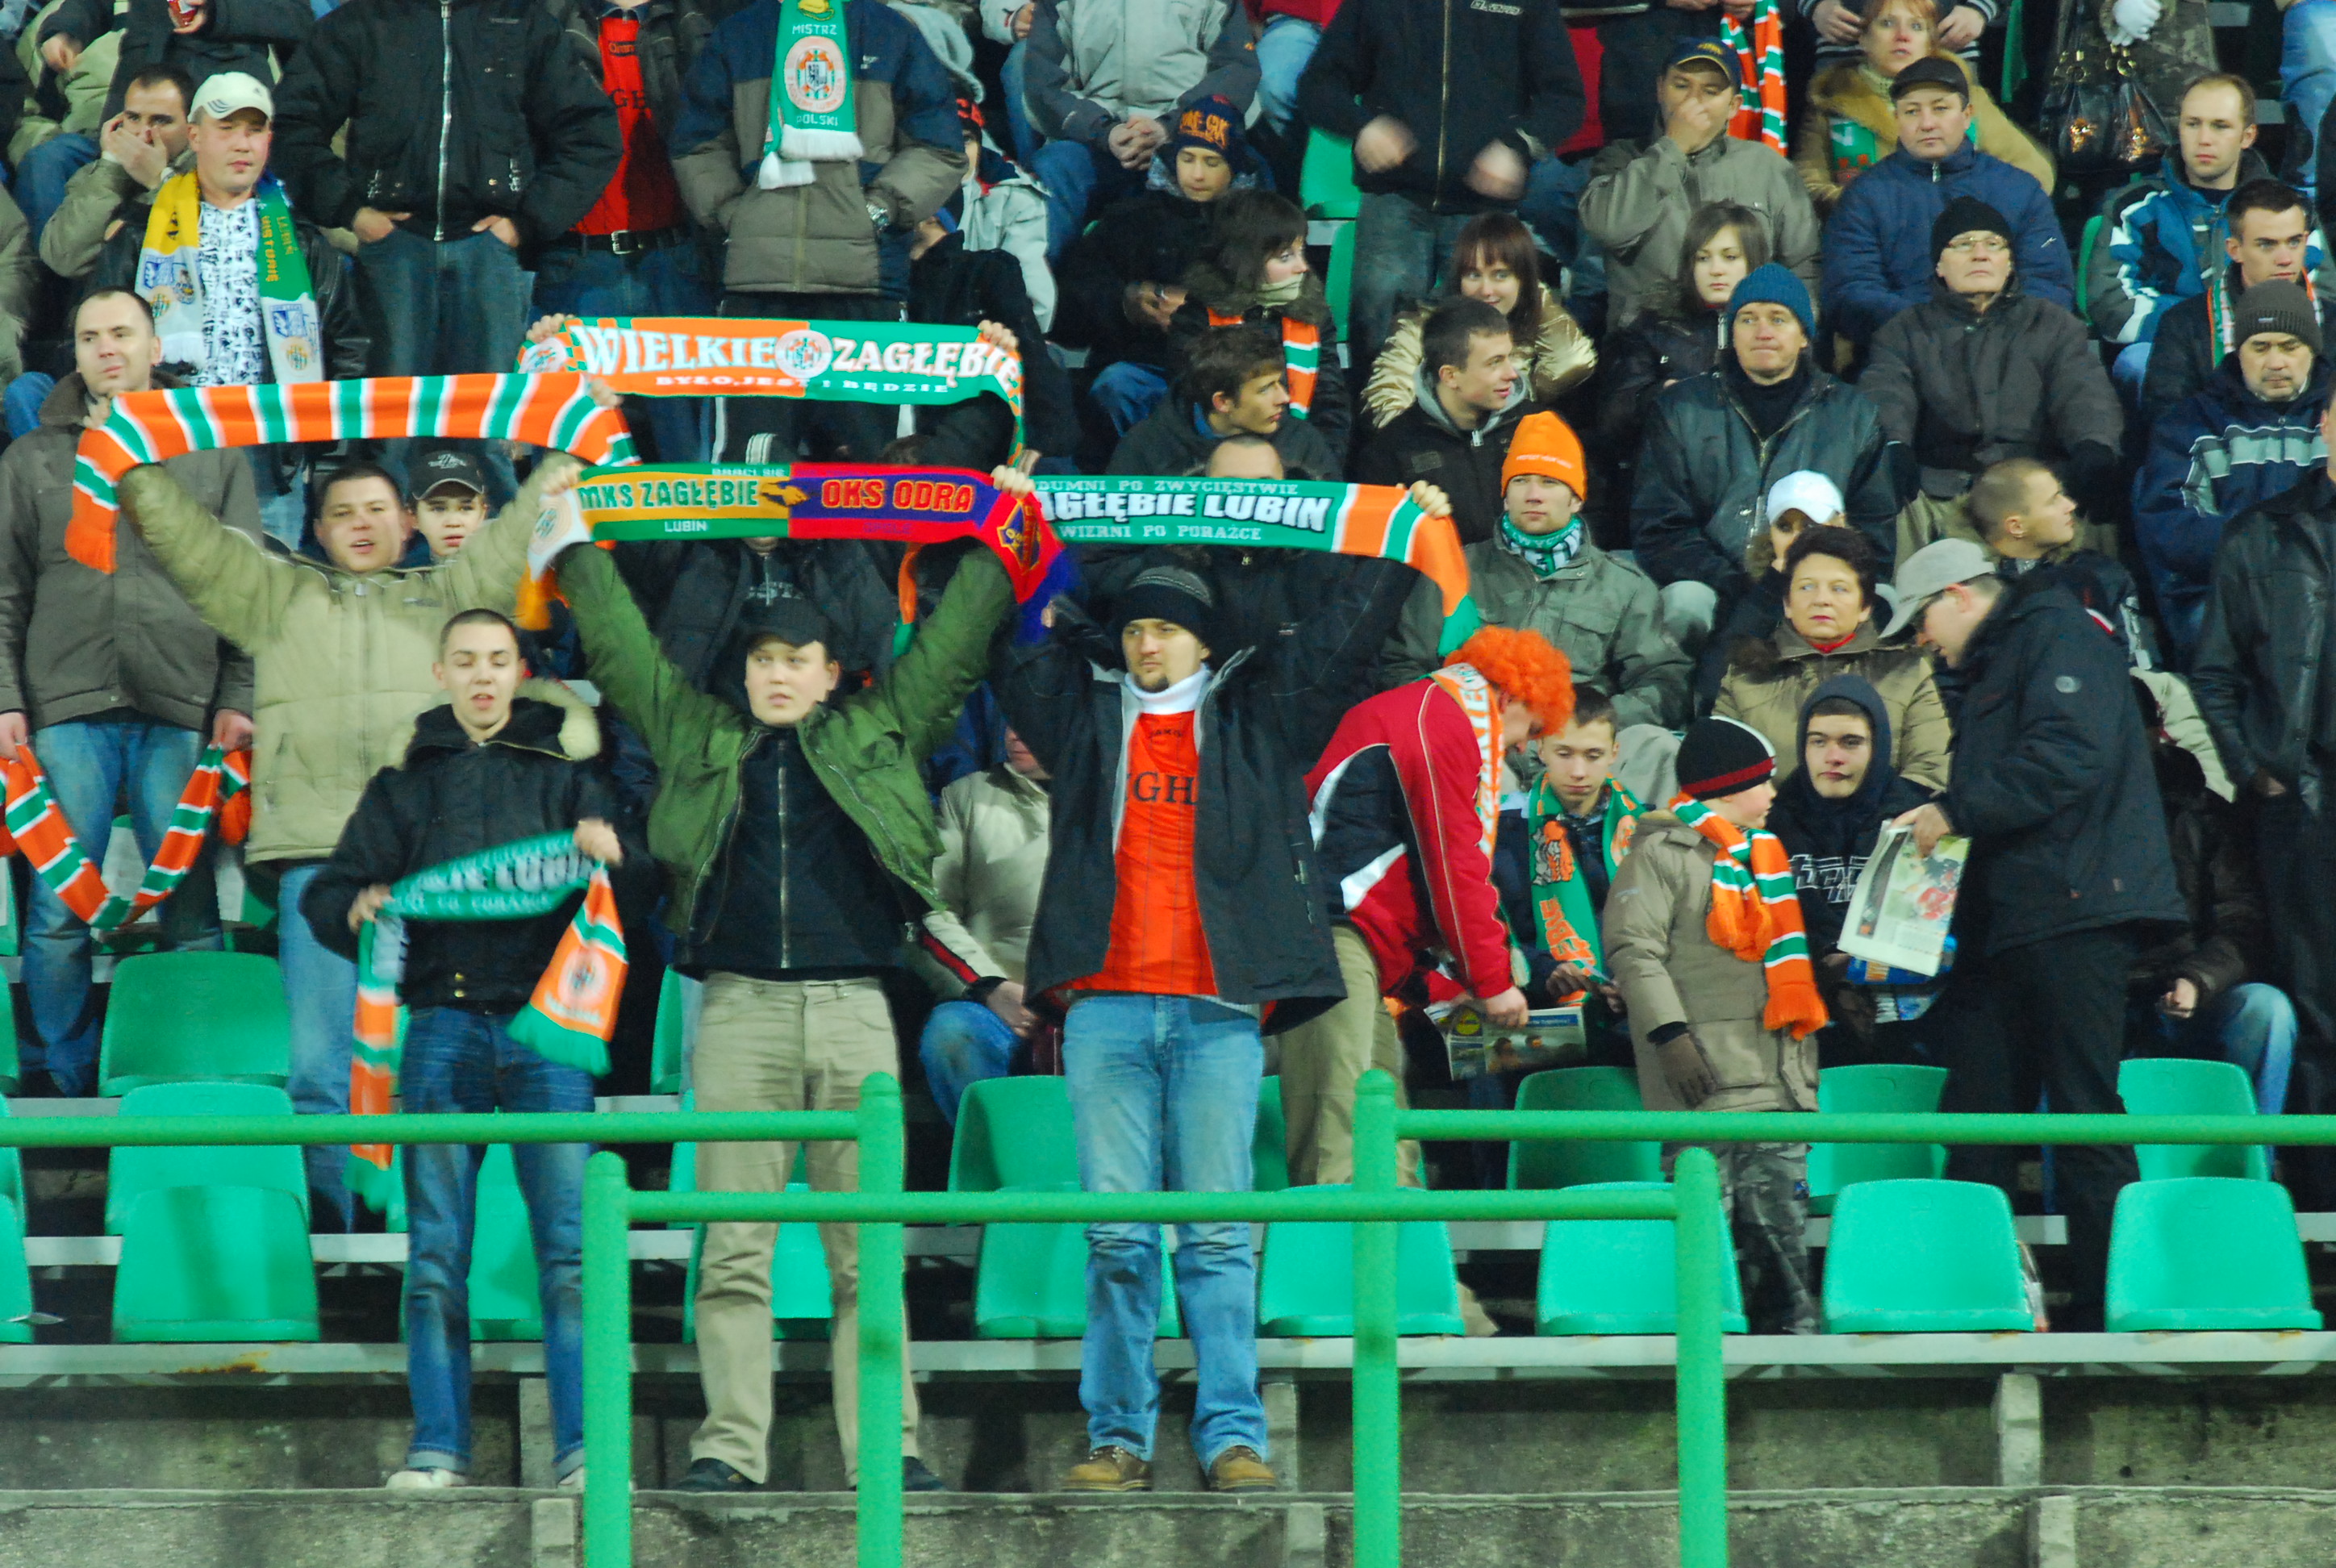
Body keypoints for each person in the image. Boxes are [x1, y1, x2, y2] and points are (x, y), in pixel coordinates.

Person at [549, 471, 1033, 1497]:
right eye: (764, 660)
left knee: (869, 1256)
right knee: (733, 1251)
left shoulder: (882, 726)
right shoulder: (696, 734)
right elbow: (622, 652)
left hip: (857, 1009)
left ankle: (887, 1454)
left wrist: (1003, 528)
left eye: (796, 661)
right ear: (745, 671)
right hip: (736, 1011)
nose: (777, 674)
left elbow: (953, 642)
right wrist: (573, 539)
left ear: (829, 674)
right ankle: (729, 1450)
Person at [991, 554, 1414, 1495]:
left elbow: (1341, 643)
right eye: (1136, 629)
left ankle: (1232, 1438)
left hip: (1218, 1013)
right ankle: (1117, 1438)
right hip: (1105, 1012)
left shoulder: (1258, 720)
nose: (1149, 645)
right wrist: (1016, 544)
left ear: (1205, 645)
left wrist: (1392, 546)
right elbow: (1011, 651)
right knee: (1116, 1238)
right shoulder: (1085, 717)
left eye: (1168, 630)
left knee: (1217, 1237)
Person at [115, 447, 578, 1229]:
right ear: (318, 530)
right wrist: (133, 471)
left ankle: (426, 1233)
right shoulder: (275, 596)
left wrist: (554, 466)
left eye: (375, 511)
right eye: (341, 514)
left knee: (433, 1067)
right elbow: (192, 546)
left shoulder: (451, 599)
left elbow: (509, 543)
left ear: (407, 523)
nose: (360, 525)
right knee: (319, 1069)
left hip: (429, 871)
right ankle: (331, 1239)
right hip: (319, 865)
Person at [300, 609, 641, 1492]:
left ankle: (587, 1453)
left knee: (570, 1253)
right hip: (440, 1030)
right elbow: (328, 894)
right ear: (442, 675)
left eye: (497, 661)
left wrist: (617, 856)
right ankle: (438, 1451)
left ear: (520, 672)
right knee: (435, 1255)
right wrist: (356, 908)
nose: (483, 677)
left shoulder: (573, 780)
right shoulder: (400, 789)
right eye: (466, 662)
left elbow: (643, 887)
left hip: (547, 1030)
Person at [1892, 537, 2183, 1327]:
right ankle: (1968, 1302)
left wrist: (1955, 811)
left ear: (1957, 594)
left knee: (2083, 1113)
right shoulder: (2013, 653)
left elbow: (2067, 756)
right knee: (1977, 1112)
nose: (1920, 639)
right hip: (2016, 920)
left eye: (1920, 619)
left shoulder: (2055, 635)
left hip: (2073, 911)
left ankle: (2108, 1311)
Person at [0, 288, 259, 1097]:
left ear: (155, 347)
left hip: (181, 705)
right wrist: (5, 698)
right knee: (56, 912)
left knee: (189, 907)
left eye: (121, 333)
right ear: (74, 354)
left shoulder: (212, 448)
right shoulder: (30, 458)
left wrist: (239, 693)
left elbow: (247, 590)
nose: (105, 348)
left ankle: (196, 1082)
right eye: (89, 337)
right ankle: (65, 1093)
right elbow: (4, 593)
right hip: (64, 709)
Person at [270, 0, 620, 491]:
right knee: (390, 431)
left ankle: (498, 543)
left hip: (491, 254)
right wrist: (351, 211)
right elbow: (291, 125)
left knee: (491, 430)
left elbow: (592, 133)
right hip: (392, 255)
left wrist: (526, 223)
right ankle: (391, 541)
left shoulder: (524, 24)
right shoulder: (360, 23)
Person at [1292, 625, 1576, 1186]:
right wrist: (1493, 982)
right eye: (1534, 728)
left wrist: (1442, 987)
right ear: (1510, 696)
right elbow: (1454, 866)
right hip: (1329, 934)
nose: (1524, 747)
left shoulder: (1427, 709)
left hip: (1352, 937)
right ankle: (1338, 1244)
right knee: (1343, 1124)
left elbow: (1400, 876)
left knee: (1383, 1124)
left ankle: (1398, 1241)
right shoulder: (1443, 721)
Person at [661, 0, 963, 466]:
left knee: (878, 473)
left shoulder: (890, 33)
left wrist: (879, 211)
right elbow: (696, 143)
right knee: (751, 476)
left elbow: (939, 147)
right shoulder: (740, 34)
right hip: (758, 288)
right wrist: (735, 215)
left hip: (865, 287)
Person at [1605, 715, 1826, 1334]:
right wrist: (1669, 1035)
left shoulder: (1764, 856)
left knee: (1783, 1250)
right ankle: (1705, 1366)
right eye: (1763, 781)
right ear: (1728, 788)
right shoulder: (1659, 855)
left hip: (1776, 1090)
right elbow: (1632, 950)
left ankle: (1790, 1362)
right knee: (1707, 1255)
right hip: (1703, 1088)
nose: (1774, 793)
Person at [89, 72, 369, 547]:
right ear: (195, 136)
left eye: (254, 130)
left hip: (269, 453)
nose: (243, 144)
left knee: (265, 587)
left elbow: (348, 349)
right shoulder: (139, 234)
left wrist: (324, 457)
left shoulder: (302, 242)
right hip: (167, 442)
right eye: (227, 128)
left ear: (269, 140)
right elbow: (99, 332)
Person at [1629, 262, 1901, 653]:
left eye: (1778, 319)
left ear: (1804, 335)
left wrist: (1807, 582)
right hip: (1715, 587)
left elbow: (1873, 532)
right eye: (1748, 319)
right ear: (1731, 333)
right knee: (1685, 601)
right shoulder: (1680, 409)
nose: (1763, 332)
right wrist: (1736, 583)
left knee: (1884, 599)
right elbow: (1660, 528)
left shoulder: (1853, 415)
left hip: (1816, 587)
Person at [1297, 0, 1584, 369]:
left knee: (1484, 350)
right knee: (1380, 349)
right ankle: (1377, 411)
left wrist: (1518, 146)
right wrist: (1362, 127)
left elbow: (1563, 98)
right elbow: (1319, 84)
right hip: (1394, 198)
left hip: (1484, 210)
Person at [1860, 196, 2124, 563]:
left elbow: (2084, 392)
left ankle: (2100, 594)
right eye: (1963, 244)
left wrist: (2094, 446)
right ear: (1939, 266)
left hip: (2035, 485)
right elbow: (1887, 393)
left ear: (2009, 262)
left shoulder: (2052, 324)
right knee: (1891, 493)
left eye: (1994, 244)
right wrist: (1894, 445)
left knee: (2098, 485)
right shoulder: (1903, 332)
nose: (1980, 255)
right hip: (1944, 489)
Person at [1389, 411, 1690, 727]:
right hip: (1472, 738)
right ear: (1506, 497)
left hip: (1574, 745)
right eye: (1521, 481)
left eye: (1549, 482)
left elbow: (1664, 682)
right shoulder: (1454, 569)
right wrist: (1460, 719)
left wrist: (1589, 725)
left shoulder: (1624, 586)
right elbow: (1401, 664)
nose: (1534, 496)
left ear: (1576, 500)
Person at [533, 0, 729, 467]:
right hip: (575, 263)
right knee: (569, 445)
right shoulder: (545, 26)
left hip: (675, 261)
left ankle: (690, 519)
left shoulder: (701, 27)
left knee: (688, 453)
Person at [2136, 277, 2331, 664]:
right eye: (2260, 347)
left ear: (2312, 350)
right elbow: (2171, 522)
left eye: (2290, 346)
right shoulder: (2190, 423)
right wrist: (2260, 557)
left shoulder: (2333, 419)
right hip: (2222, 594)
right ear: (2238, 351)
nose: (2276, 362)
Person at [1819, 54, 2072, 352]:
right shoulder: (1865, 196)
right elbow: (1850, 292)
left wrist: (1991, 333)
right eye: (1912, 111)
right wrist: (1932, 328)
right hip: (1904, 355)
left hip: (2011, 353)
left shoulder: (2019, 189)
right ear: (1896, 118)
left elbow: (2050, 283)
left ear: (1967, 115)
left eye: (1940, 109)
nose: (1927, 124)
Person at [2128, 675, 2295, 1117]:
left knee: (2267, 1010)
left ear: (2156, 733)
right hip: (2104, 1001)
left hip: (2192, 991)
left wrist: (2197, 980)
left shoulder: (2203, 815)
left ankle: (2252, 1152)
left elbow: (2243, 920)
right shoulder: (2066, 817)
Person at [1579, 38, 1821, 332]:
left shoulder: (1768, 166)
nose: (1694, 100)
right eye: (1681, 86)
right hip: (1650, 345)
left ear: (1734, 106)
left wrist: (1794, 334)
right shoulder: (1621, 159)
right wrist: (1672, 147)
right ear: (1660, 89)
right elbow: (1607, 227)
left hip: (1747, 341)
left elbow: (1803, 264)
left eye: (1711, 91)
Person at [1051, 97, 1248, 445]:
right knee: (1115, 385)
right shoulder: (1130, 218)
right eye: (1187, 159)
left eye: (1211, 162)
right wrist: (1124, 302)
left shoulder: (1261, 224)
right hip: (1140, 369)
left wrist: (1202, 313)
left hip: (1232, 375)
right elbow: (1068, 303)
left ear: (1234, 166)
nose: (1197, 174)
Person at [23, 0, 309, 238]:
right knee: (50, 160)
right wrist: (67, 30)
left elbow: (297, 18)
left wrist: (220, 11)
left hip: (221, 118)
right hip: (139, 96)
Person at [1763, 676, 1933, 1065]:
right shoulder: (1771, 823)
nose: (1833, 757)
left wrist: (1855, 968)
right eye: (1818, 741)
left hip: (1912, 1023)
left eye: (1851, 742)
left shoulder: (1917, 819)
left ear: (1879, 748)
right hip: (1801, 1022)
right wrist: (1828, 966)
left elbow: (1930, 936)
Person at [1715, 524, 1952, 790]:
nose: (1821, 600)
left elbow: (1930, 769)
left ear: (1865, 607)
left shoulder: (1908, 670)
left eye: (1839, 589)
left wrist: (1883, 812)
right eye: (1806, 587)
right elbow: (1721, 773)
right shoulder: (1745, 675)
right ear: (1787, 604)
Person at [1024, 0, 1260, 261]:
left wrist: (1170, 128)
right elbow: (1043, 85)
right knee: (1053, 167)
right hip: (1094, 137)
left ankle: (1240, 280)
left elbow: (1236, 70)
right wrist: (1105, 132)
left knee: (1253, 168)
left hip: (1189, 134)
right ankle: (1044, 281)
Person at [2088, 73, 2273, 398]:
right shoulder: (2135, 206)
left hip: (2267, 351)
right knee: (2137, 361)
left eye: (2220, 126)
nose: (2204, 139)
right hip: (2168, 353)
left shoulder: (2285, 209)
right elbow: (2111, 302)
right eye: (2193, 124)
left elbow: (2320, 295)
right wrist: (2204, 329)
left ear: (2247, 136)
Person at [1792, 1, 2051, 216]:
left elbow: (2035, 173)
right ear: (1863, 38)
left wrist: (1971, 212)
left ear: (1931, 42)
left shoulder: (1970, 102)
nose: (1902, 35)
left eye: (1916, 26)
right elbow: (1807, 186)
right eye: (1887, 23)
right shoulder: (1831, 103)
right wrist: (1874, 207)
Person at [914, 727, 1053, 1124]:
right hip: (999, 1004)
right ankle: (994, 1158)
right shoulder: (968, 796)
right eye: (1009, 719)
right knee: (952, 1034)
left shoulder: (1125, 793)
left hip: (1106, 1004)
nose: (1014, 733)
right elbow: (931, 909)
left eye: (1031, 720)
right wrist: (990, 987)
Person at [1596, 201, 1762, 532]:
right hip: (1668, 496)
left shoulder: (1776, 331)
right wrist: (1663, 395)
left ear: (1753, 262)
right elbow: (1613, 422)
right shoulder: (1651, 327)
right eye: (1703, 258)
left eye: (1730, 257)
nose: (1716, 270)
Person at [1168, 189, 1353, 469]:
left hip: (1298, 461)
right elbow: (1195, 412)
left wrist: (1314, 469)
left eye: (1302, 252)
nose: (1303, 267)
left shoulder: (1315, 316)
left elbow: (1330, 406)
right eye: (1285, 256)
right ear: (1245, 260)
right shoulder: (1196, 320)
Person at [1363, 212, 1596, 433]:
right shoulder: (1419, 326)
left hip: (1509, 445)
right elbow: (1387, 400)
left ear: (1523, 280)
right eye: (1474, 275)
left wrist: (1518, 398)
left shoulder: (1532, 326)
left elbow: (1574, 361)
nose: (1486, 290)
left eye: (1501, 275)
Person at [2140, 179, 2335, 428]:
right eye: (2267, 244)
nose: (2285, 259)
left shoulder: (2333, 321)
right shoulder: (2184, 325)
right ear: (2234, 250)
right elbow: (2169, 423)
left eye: (2294, 242)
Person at [1350, 297, 1536, 545]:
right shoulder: (1390, 452)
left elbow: (1583, 519)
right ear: (1450, 376)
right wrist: (1410, 522)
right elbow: (1372, 547)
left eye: (1508, 357)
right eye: (1495, 363)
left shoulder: (1539, 428)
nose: (1512, 374)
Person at [1967, 457, 2150, 667]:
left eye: (2062, 494)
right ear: (2017, 527)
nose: (2070, 505)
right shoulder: (1972, 588)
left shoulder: (2102, 575)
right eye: (2053, 501)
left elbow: (2138, 663)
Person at [1110, 321, 1340, 480]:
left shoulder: (1302, 442)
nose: (1284, 398)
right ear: (1223, 402)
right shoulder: (1145, 448)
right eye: (1265, 389)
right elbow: (1115, 535)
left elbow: (1334, 528)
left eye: (1280, 383)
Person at [1693, 470, 1844, 712]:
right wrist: (1770, 590)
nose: (1796, 539)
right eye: (1784, 527)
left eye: (1809, 525)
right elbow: (1712, 688)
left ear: (1839, 524)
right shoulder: (1745, 592)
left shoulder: (1867, 595)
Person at [35, 62, 190, 283]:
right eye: (133, 118)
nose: (143, 134)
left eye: (160, 121)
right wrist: (111, 167)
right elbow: (64, 259)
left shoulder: (210, 174)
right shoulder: (99, 175)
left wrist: (160, 182)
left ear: (191, 127)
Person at [408, 446, 492, 564]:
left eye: (466, 508)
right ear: (413, 517)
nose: (453, 523)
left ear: (483, 513)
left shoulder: (509, 567)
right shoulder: (400, 572)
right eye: (438, 509)